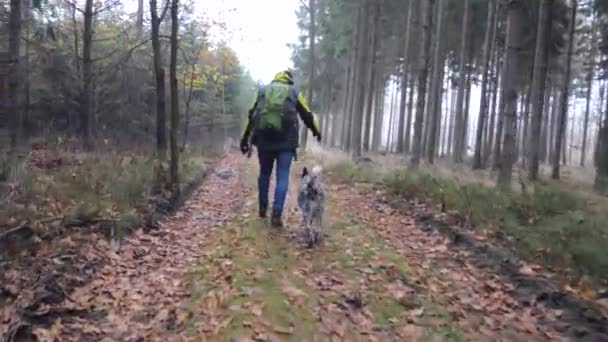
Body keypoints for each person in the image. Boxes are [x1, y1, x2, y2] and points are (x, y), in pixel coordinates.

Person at [240, 69, 321, 228]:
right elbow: (307, 114)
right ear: (289, 79)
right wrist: (316, 131)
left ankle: (263, 209)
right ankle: (276, 214)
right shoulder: (294, 91)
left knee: (264, 174)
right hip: (286, 142)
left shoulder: (263, 91)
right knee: (282, 176)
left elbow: (251, 115)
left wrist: (245, 138)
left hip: (264, 140)